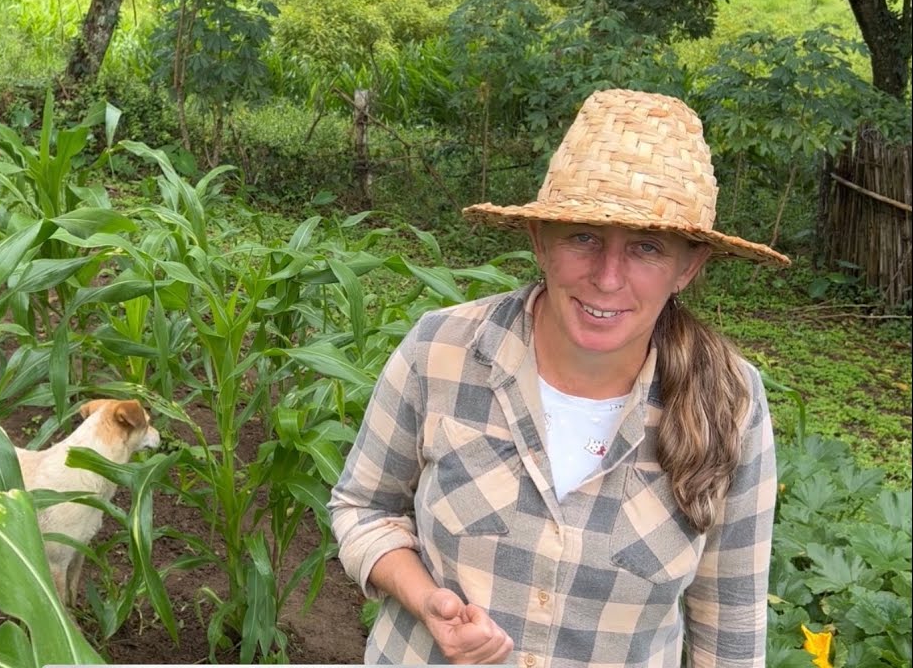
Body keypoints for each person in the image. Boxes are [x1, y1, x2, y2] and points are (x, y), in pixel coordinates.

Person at [328, 89, 787, 667]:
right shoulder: (442, 350)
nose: (607, 277)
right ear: (540, 240)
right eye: (583, 237)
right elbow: (362, 508)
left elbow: (732, 627)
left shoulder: (731, 403)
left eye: (646, 248)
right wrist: (427, 601)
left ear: (687, 267)